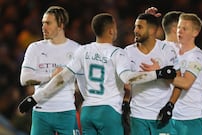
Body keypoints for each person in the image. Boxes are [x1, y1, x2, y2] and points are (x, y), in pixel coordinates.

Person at [18, 13, 176, 135]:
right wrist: (159, 73)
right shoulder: (118, 53)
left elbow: (61, 78)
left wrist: (34, 98)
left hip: (87, 111)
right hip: (109, 112)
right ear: (111, 31)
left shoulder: (82, 51)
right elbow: (129, 78)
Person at [143, 7, 202, 125]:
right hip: (169, 113)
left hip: (187, 115)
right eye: (181, 26)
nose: (183, 30)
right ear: (175, 28)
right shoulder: (163, 49)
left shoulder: (189, 52)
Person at [19, 6, 81, 135]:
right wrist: (50, 76)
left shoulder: (77, 49)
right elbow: (24, 79)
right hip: (41, 113)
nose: (43, 27)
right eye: (43, 23)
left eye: (48, 23)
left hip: (66, 112)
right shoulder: (35, 48)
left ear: (60, 25)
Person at [124, 13, 179, 135]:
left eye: (139, 27)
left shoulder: (167, 51)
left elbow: (178, 81)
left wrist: (170, 105)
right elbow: (126, 81)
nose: (135, 30)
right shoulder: (128, 52)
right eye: (135, 27)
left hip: (161, 116)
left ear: (152, 30)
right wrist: (126, 101)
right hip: (138, 115)